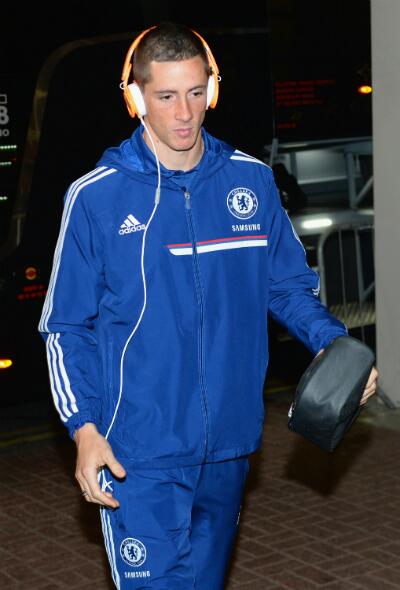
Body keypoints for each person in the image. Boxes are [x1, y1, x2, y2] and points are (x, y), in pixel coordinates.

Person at [38, 22, 378, 590]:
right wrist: (84, 428)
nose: (185, 113)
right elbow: (65, 326)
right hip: (136, 453)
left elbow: (287, 287)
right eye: (166, 96)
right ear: (136, 97)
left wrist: (334, 342)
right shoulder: (96, 197)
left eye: (196, 93)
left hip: (230, 444)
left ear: (213, 90)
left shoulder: (251, 181)